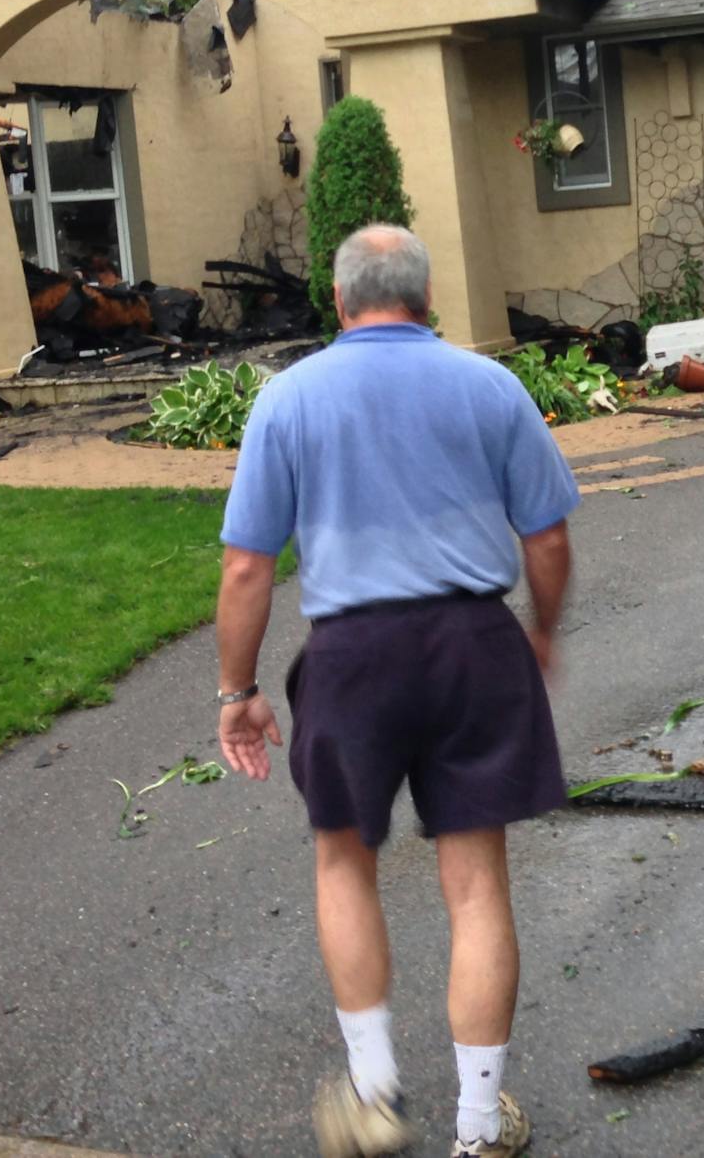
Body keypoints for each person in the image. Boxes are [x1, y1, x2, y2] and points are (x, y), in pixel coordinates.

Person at [214, 224, 578, 1158]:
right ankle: (478, 1126)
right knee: (476, 883)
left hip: (351, 659)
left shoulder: (289, 400)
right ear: (426, 299)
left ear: (338, 301)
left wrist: (237, 691)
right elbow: (546, 539)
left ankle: (374, 1095)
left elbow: (249, 568)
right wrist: (539, 632)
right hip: (471, 644)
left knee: (344, 861)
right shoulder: (490, 387)